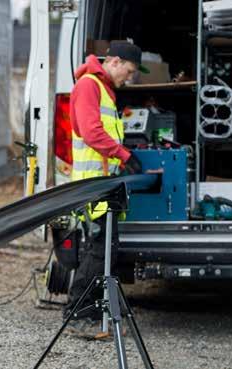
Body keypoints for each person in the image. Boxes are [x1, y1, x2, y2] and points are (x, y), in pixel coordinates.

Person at [65, 41, 149, 338]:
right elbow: (92, 132)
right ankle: (78, 314)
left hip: (103, 185)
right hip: (93, 186)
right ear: (113, 61)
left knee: (105, 251)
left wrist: (123, 154)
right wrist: (125, 156)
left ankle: (97, 313)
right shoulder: (89, 86)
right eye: (128, 71)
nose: (129, 78)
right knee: (98, 252)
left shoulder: (103, 89)